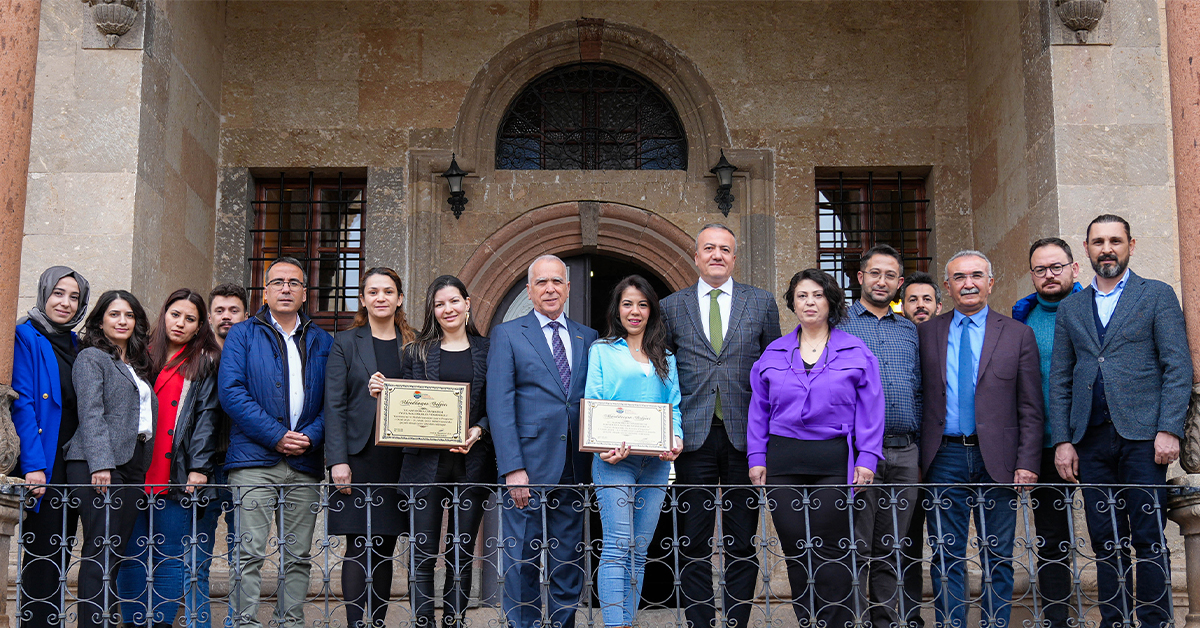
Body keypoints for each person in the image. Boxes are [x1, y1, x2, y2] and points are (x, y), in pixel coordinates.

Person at [1049, 214, 1192, 628]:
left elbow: (1177, 367)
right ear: (1087, 249)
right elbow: (1060, 378)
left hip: (1144, 438)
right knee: (1104, 539)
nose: (1106, 248)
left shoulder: (1157, 295)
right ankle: (1114, 621)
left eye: (1114, 240)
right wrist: (1063, 440)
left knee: (1148, 535)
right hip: (1090, 439)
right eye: (1097, 242)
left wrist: (1169, 429)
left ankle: (1154, 621)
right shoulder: (1071, 307)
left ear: (1131, 244)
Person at [660, 224, 781, 628]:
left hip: (745, 437)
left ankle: (735, 622)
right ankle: (698, 622)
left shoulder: (761, 303)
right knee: (692, 540)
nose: (716, 255)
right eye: (708, 248)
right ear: (695, 257)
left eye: (725, 249)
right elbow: (662, 372)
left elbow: (774, 371)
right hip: (692, 439)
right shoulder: (671, 306)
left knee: (742, 540)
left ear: (734, 257)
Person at [748, 268, 884, 628]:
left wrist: (868, 458)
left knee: (830, 550)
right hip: (783, 461)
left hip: (833, 461)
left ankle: (836, 622)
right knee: (796, 550)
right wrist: (756, 457)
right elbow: (759, 410)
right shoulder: (773, 352)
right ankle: (810, 621)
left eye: (818, 295)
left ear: (831, 301)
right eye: (802, 295)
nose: (810, 302)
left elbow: (872, 409)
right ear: (792, 302)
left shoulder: (856, 350)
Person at [917, 250, 1043, 628]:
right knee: (946, 553)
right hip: (944, 458)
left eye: (976, 276)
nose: (968, 283)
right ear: (947, 286)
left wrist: (1027, 461)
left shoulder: (1018, 334)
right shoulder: (925, 333)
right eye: (959, 277)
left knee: (998, 554)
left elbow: (1031, 406)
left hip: (999, 459)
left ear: (991, 282)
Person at [218, 257, 334, 628]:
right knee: (249, 551)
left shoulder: (322, 340)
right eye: (278, 282)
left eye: (294, 283)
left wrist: (312, 436)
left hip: (305, 462)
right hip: (254, 461)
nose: (286, 288)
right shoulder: (242, 334)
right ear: (265, 292)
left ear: (304, 294)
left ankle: (291, 622)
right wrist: (276, 436)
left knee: (298, 554)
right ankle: (245, 623)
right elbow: (232, 393)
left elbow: (335, 400)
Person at [487, 254, 599, 628]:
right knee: (521, 558)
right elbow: (499, 404)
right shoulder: (508, 333)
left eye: (556, 282)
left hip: (573, 465)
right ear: (529, 290)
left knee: (568, 558)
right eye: (541, 283)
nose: (550, 289)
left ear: (568, 288)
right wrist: (512, 468)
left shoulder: (589, 337)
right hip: (527, 468)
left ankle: (563, 623)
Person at [116, 289, 222, 628]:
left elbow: (207, 418)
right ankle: (134, 622)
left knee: (171, 558)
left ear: (199, 326)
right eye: (175, 314)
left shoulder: (204, 361)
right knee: (131, 556)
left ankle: (159, 623)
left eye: (190, 319)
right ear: (164, 315)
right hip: (134, 470)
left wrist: (199, 468)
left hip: (175, 473)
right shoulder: (139, 355)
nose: (180, 323)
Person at [584, 275, 684, 628]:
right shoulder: (602, 350)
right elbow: (593, 401)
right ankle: (614, 624)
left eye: (642, 304)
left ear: (652, 310)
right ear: (617, 309)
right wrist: (601, 446)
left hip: (656, 464)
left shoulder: (666, 357)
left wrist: (677, 439)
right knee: (616, 545)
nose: (635, 311)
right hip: (614, 461)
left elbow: (673, 407)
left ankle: (627, 622)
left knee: (639, 551)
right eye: (628, 303)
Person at [398, 275, 493, 628]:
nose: (447, 309)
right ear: (432, 310)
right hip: (425, 463)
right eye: (439, 304)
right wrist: (385, 393)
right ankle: (423, 624)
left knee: (461, 554)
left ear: (467, 303)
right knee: (422, 554)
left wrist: (478, 429)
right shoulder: (416, 352)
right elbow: (406, 406)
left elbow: (496, 402)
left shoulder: (489, 349)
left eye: (454, 301)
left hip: (474, 462)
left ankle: (455, 622)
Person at [324, 267, 415, 628]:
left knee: (386, 547)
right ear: (363, 299)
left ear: (399, 299)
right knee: (358, 544)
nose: (381, 298)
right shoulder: (345, 343)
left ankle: (376, 622)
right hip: (359, 457)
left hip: (400, 458)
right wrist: (337, 461)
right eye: (373, 292)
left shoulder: (415, 343)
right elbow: (334, 406)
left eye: (388, 291)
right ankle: (353, 623)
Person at [836, 245, 922, 627]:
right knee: (855, 546)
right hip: (857, 454)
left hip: (905, 452)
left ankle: (886, 621)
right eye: (875, 273)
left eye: (890, 275)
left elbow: (918, 386)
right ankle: (853, 620)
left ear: (900, 283)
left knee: (891, 547)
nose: (882, 281)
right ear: (860, 277)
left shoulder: (910, 330)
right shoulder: (838, 324)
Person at [63, 289, 156, 628]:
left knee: (114, 553)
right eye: (115, 314)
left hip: (131, 464)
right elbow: (91, 412)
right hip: (96, 462)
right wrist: (101, 463)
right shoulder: (91, 358)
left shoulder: (136, 363)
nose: (122, 320)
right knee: (99, 551)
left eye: (129, 315)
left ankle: (105, 620)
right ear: (100, 320)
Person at [12, 266, 90, 628]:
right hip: (45, 462)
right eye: (59, 293)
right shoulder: (25, 335)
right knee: (43, 557)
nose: (66, 302)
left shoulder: (77, 344)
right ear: (44, 292)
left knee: (62, 554)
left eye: (74, 296)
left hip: (74, 464)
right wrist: (33, 465)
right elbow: (23, 402)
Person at [1011, 237, 1083, 628]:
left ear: (1074, 268)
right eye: (1040, 269)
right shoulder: (1023, 316)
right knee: (1052, 541)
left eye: (1057, 267)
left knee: (1113, 532)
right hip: (1044, 443)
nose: (1049, 275)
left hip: (1096, 435)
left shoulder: (1094, 309)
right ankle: (1057, 619)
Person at [190, 283, 250, 628]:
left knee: (242, 556)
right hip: (203, 469)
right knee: (194, 558)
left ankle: (235, 624)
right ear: (210, 316)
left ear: (246, 314)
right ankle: (199, 623)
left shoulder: (253, 353)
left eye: (234, 310)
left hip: (244, 465)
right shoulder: (199, 356)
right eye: (220, 311)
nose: (227, 317)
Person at [899, 269, 941, 628]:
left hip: (944, 457)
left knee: (944, 542)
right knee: (905, 540)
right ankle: (907, 614)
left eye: (927, 299)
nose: (920, 305)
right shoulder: (900, 340)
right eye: (912, 299)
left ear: (938, 305)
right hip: (906, 455)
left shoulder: (947, 339)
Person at [209, 282, 249, 349]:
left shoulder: (258, 356)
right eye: (219, 311)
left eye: (234, 311)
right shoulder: (196, 357)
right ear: (209, 318)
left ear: (246, 317)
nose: (226, 316)